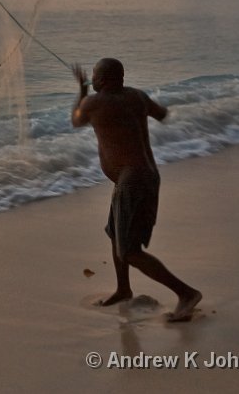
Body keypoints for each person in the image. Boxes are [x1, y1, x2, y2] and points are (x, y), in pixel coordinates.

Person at [71, 58, 202, 322]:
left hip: (132, 181)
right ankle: (123, 289)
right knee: (115, 234)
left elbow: (76, 120)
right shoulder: (137, 96)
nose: (93, 80)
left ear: (103, 80)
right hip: (145, 175)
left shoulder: (93, 102)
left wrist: (83, 90)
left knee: (129, 250)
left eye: (95, 77)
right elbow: (162, 114)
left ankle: (186, 293)